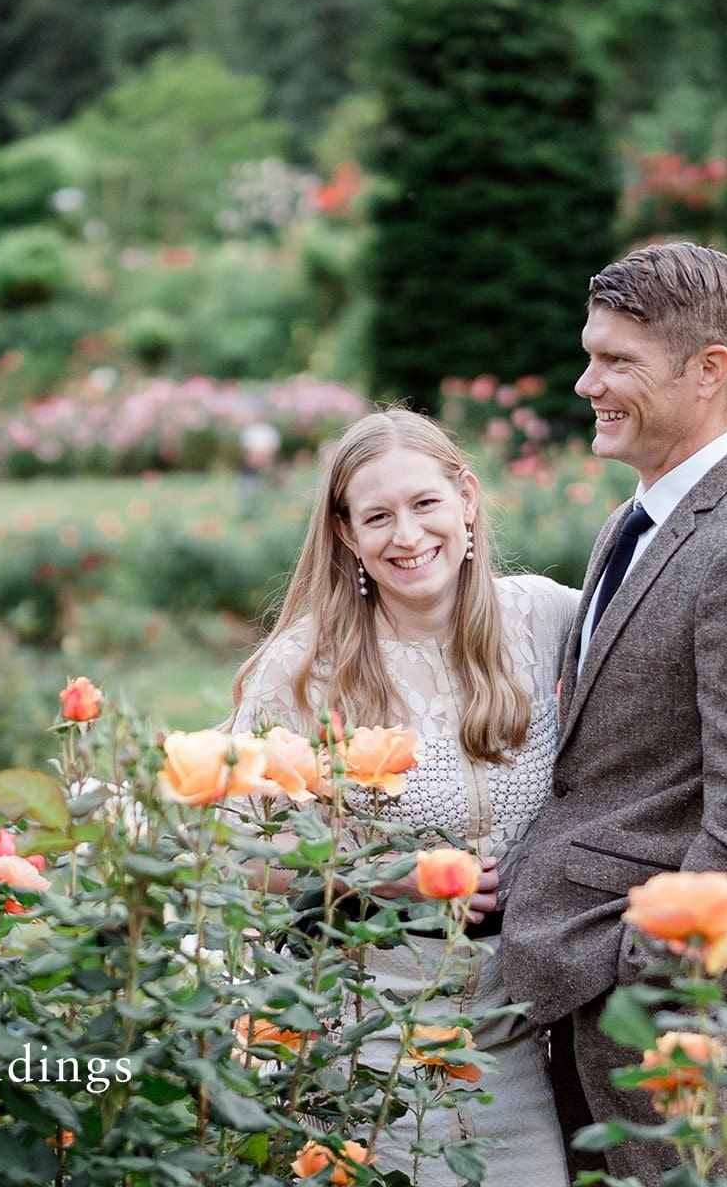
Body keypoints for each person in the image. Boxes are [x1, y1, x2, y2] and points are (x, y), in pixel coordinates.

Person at [500, 242, 727, 1186]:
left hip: (653, 1019)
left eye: (618, 363)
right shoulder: (639, 517)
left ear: (709, 370)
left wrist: (637, 974)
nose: (585, 384)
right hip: (573, 988)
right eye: (589, 354)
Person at [229, 407, 582, 1186]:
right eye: (378, 516)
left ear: (467, 498)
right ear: (348, 534)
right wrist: (377, 876)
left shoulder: (549, 617)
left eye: (424, 504)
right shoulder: (306, 667)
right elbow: (234, 847)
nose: (407, 535)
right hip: (363, 1042)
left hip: (512, 1041)